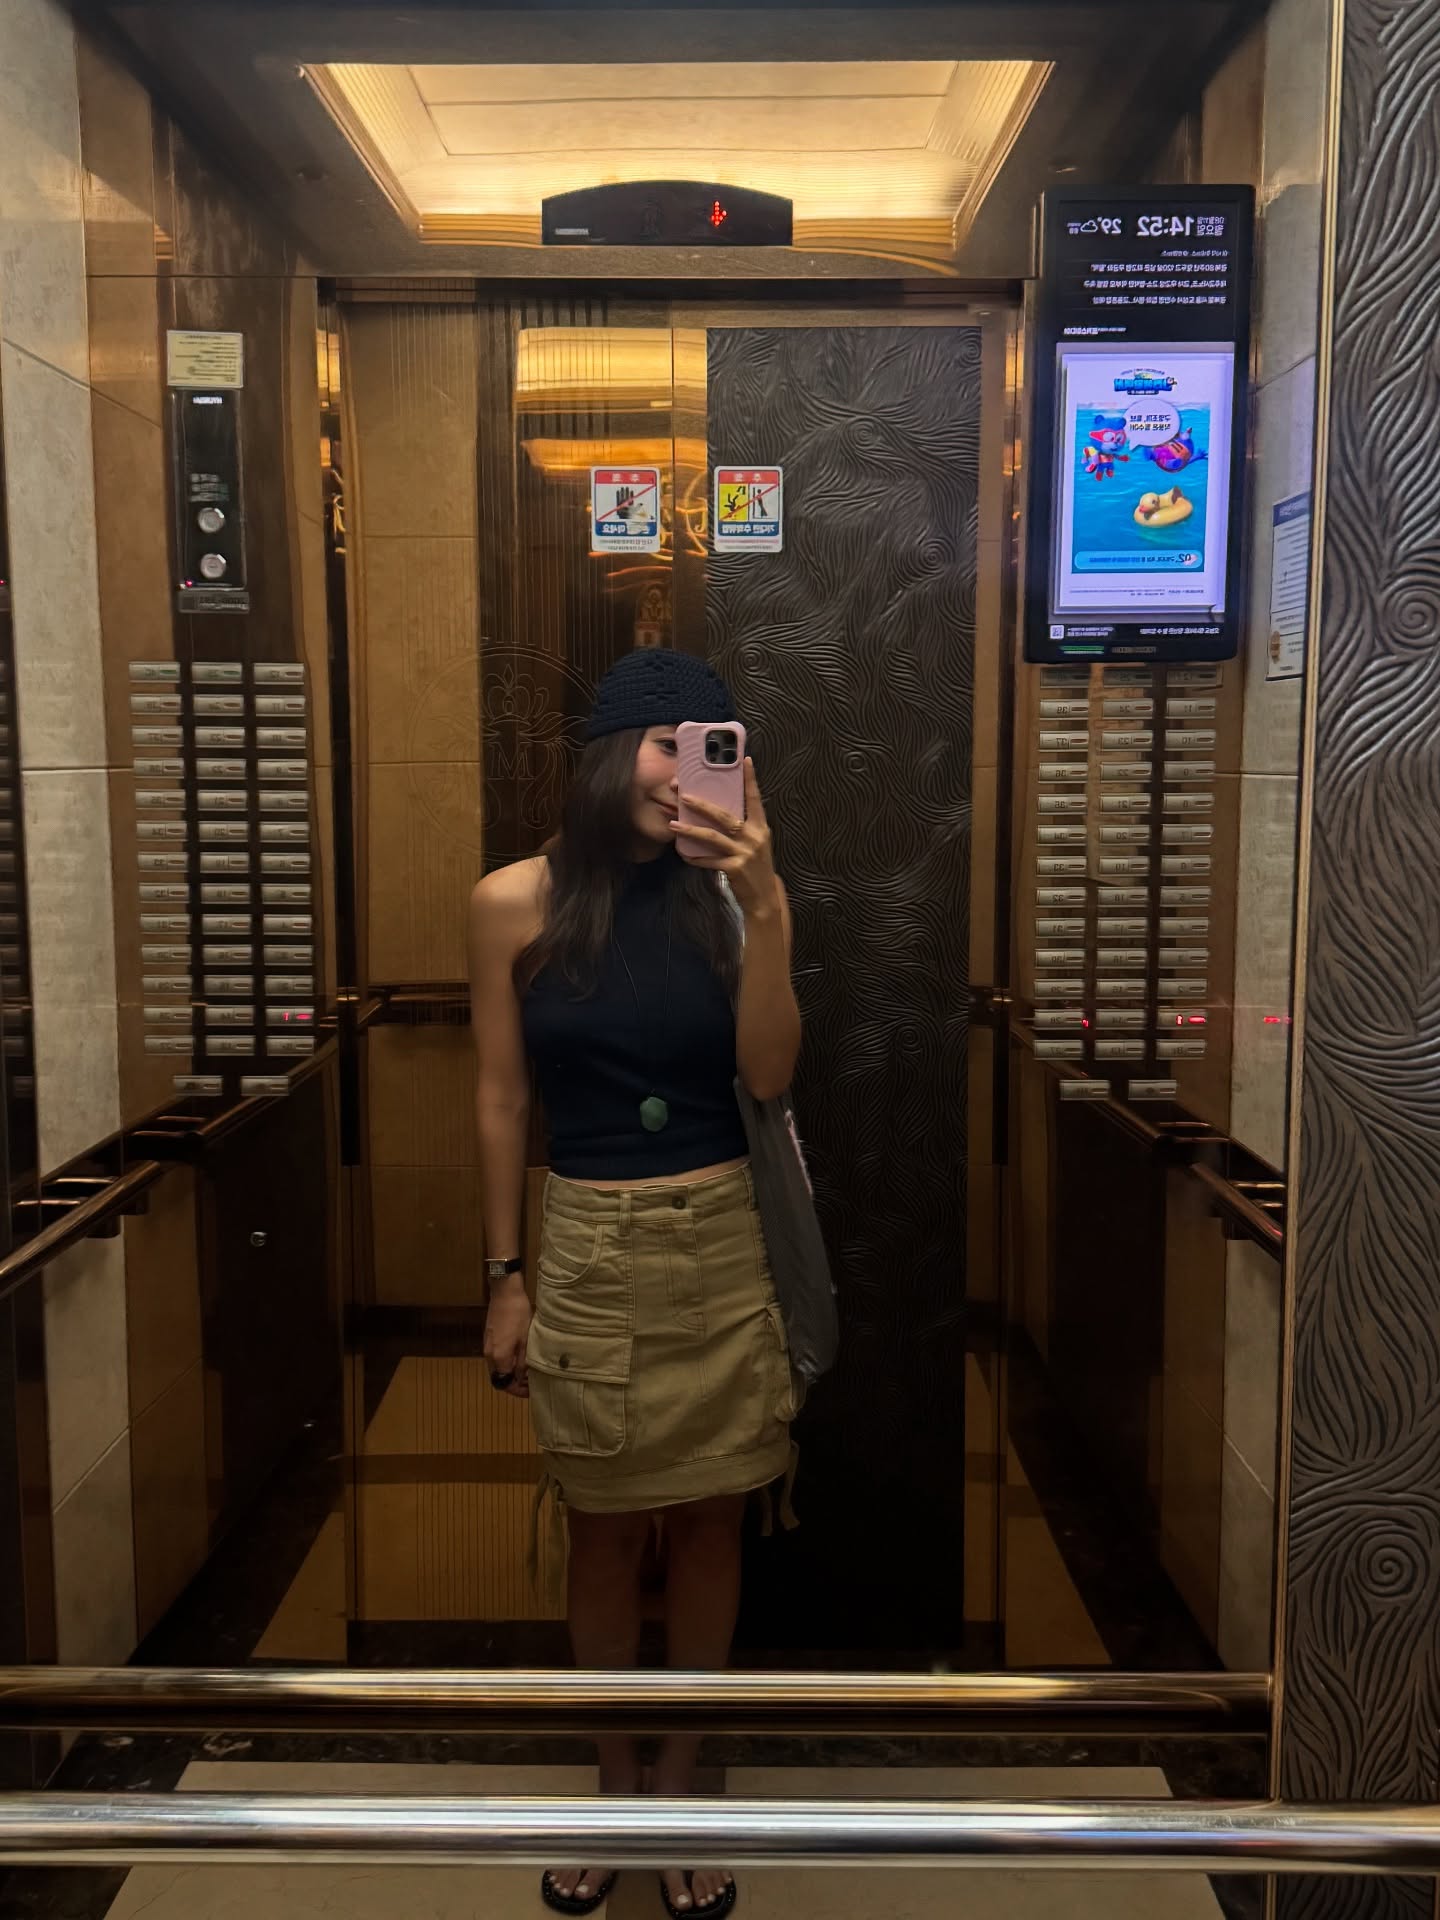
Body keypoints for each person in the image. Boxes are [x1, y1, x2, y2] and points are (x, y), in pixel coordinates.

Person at [468, 649, 802, 1920]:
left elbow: (768, 1078)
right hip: (589, 1248)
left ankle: (679, 1785)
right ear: (615, 754)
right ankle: (614, 1785)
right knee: (603, 1531)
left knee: (713, 1524)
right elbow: (502, 1099)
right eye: (669, 742)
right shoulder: (513, 901)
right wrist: (505, 1276)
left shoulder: (734, 895)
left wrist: (767, 907)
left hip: (722, 1238)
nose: (688, 771)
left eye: (715, 744)